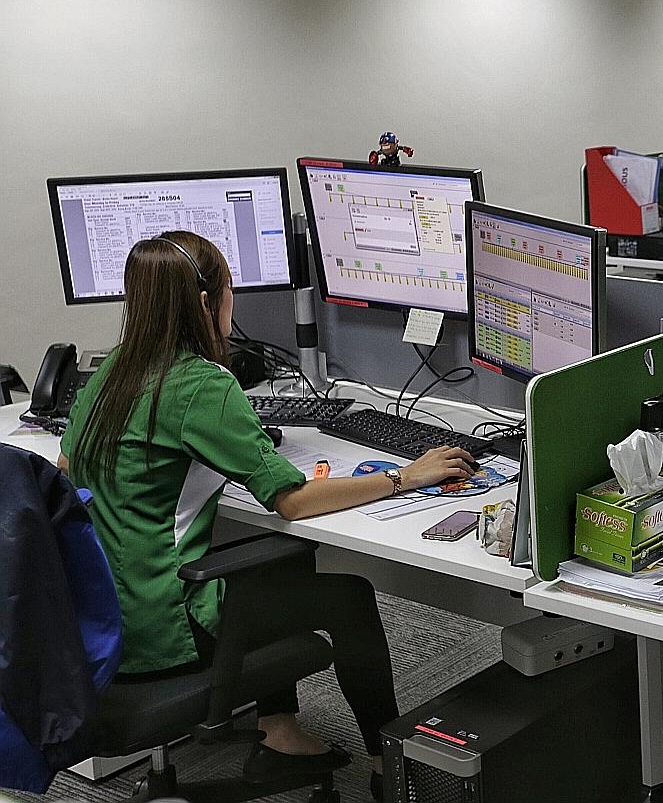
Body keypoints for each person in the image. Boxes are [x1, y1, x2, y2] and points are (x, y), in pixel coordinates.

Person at [58, 232, 476, 796]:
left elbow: (67, 468)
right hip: (163, 629)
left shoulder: (108, 374)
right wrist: (408, 476)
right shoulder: (200, 386)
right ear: (205, 303)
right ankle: (388, 770)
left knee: (282, 559)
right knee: (351, 597)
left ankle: (279, 730)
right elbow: (292, 500)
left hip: (100, 618)